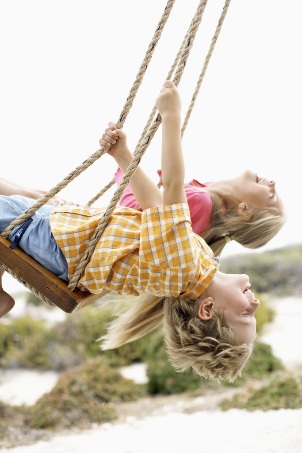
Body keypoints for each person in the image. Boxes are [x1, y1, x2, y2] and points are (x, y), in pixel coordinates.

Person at [1, 81, 263, 381]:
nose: (255, 303)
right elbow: (155, 206)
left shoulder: (184, 269)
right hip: (66, 234)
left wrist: (172, 116)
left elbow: (174, 187)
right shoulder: (199, 263)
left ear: (207, 309)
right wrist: (122, 155)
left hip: (55, 240)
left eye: (246, 314)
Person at [114, 168, 285, 256]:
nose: (272, 182)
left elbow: (132, 209)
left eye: (271, 196)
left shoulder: (202, 203)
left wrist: (126, 167)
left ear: (245, 209)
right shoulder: (209, 198)